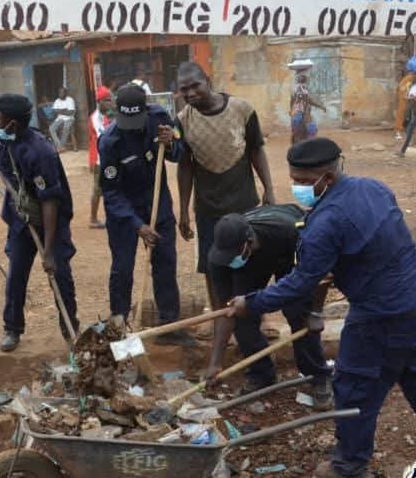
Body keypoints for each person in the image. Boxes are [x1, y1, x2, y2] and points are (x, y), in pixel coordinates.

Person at [227, 137, 416, 478]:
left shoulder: (325, 222)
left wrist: (250, 303)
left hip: (381, 313)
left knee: (354, 385)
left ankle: (350, 466)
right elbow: (378, 243)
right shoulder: (374, 188)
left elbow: (300, 283)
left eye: (302, 181)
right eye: (294, 179)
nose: (297, 188)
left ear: (326, 177)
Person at [204, 206, 333, 406]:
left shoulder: (289, 231)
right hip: (251, 266)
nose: (228, 261)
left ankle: (317, 375)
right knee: (241, 314)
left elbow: (318, 272)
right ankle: (261, 374)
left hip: (289, 255)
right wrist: (215, 363)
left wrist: (316, 312)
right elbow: (225, 311)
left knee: (299, 312)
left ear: (248, 243)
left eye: (232, 256)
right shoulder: (219, 259)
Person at [175, 61, 276, 305]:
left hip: (244, 203)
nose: (190, 93)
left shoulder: (242, 109)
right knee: (212, 264)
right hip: (208, 207)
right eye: (184, 89)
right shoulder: (182, 120)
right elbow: (185, 166)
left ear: (208, 81)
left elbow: (256, 150)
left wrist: (269, 190)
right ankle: (219, 314)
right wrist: (184, 210)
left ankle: (253, 313)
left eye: (195, 86)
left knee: (249, 258)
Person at [0, 93, 78, 352]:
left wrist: (48, 251)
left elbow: (50, 202)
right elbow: (0, 166)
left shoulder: (40, 152)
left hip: (51, 221)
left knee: (59, 274)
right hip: (21, 219)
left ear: (13, 123)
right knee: (16, 274)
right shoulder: (3, 139)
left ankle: (70, 328)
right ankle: (12, 327)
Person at [99, 85, 185, 343]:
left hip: (157, 203)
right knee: (122, 269)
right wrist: (137, 225)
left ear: (146, 110)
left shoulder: (160, 118)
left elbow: (179, 152)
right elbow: (111, 193)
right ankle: (118, 328)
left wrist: (171, 143)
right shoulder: (110, 141)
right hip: (124, 213)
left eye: (136, 121)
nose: (131, 128)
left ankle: (168, 326)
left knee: (165, 263)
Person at [88, 87, 113, 229]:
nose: (110, 103)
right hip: (99, 159)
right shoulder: (95, 117)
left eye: (110, 100)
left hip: (107, 158)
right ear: (100, 102)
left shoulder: (105, 116)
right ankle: (93, 219)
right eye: (107, 100)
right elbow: (103, 135)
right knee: (97, 190)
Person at [288, 62, 325, 144]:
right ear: (302, 78)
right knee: (312, 130)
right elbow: (308, 101)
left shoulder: (295, 88)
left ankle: (296, 147)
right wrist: (306, 115)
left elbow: (292, 100)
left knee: (296, 134)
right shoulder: (302, 89)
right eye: (306, 77)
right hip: (301, 114)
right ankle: (308, 147)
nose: (307, 78)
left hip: (295, 114)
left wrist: (291, 110)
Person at [49, 87, 77, 152]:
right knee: (51, 128)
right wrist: (64, 110)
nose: (60, 94)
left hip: (69, 118)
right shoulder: (57, 101)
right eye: (59, 93)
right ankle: (60, 146)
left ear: (66, 93)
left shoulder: (70, 100)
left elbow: (71, 112)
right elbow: (54, 111)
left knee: (66, 128)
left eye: (62, 93)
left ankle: (61, 146)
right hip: (60, 119)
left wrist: (59, 111)